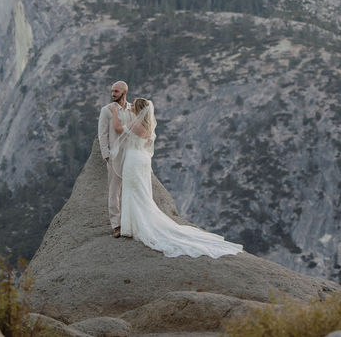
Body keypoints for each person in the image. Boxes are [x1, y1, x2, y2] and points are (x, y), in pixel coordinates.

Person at [110, 97, 242, 258]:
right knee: (142, 192)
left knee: (132, 190)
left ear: (138, 110)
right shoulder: (148, 126)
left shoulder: (136, 125)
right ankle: (133, 223)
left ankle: (131, 226)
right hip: (143, 159)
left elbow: (117, 128)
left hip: (134, 159)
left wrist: (114, 112)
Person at [98, 80, 133, 238]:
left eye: (116, 91)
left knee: (130, 189)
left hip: (131, 156)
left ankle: (129, 222)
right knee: (114, 191)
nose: (113, 94)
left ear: (124, 92)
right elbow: (102, 133)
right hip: (114, 156)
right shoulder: (107, 110)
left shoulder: (133, 109)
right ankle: (116, 225)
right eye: (112, 91)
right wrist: (106, 154)